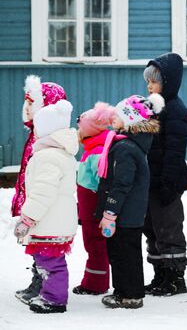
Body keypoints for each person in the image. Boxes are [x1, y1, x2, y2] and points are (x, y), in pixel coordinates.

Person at [96, 94, 165, 309]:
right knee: (127, 253)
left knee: (122, 254)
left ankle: (129, 294)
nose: (113, 117)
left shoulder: (125, 149)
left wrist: (110, 212)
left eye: (118, 114)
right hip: (129, 214)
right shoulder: (131, 145)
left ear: (131, 119)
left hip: (123, 214)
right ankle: (128, 292)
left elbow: (122, 184)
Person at [14, 98, 78, 313]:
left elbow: (43, 191)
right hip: (54, 220)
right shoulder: (59, 153)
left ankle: (54, 300)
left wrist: (28, 217)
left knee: (51, 264)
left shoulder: (48, 157)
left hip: (49, 220)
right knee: (49, 261)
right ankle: (50, 295)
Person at [142, 53, 187, 296]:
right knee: (152, 228)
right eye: (148, 81)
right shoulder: (153, 108)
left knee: (168, 228)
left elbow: (174, 151)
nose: (150, 86)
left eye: (155, 81)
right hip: (151, 180)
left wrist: (168, 183)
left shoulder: (175, 110)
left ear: (169, 82)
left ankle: (175, 278)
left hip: (166, 182)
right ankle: (160, 273)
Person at [73, 102, 116, 295]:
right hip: (88, 205)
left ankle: (95, 283)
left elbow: (101, 181)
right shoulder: (93, 146)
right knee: (93, 243)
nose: (78, 133)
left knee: (95, 243)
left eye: (80, 129)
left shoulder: (97, 150)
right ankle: (94, 280)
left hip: (94, 207)